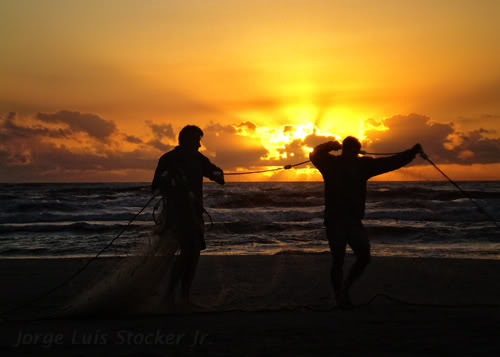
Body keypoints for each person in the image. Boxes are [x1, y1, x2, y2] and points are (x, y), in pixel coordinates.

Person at [309, 136, 422, 308]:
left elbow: (315, 154)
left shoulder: (331, 163)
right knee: (356, 258)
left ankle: (341, 294)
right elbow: (391, 163)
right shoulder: (360, 165)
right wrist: (411, 153)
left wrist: (329, 146)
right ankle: (342, 294)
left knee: (346, 259)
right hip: (343, 220)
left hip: (340, 220)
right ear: (355, 150)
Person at [152, 125, 224, 307]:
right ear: (186, 140)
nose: (200, 145)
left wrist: (217, 174)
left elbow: (216, 173)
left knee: (193, 254)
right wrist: (167, 179)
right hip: (177, 213)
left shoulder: (198, 159)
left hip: (195, 212)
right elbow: (156, 185)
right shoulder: (169, 159)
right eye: (197, 140)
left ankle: (183, 296)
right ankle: (171, 296)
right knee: (188, 252)